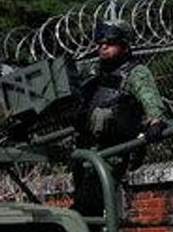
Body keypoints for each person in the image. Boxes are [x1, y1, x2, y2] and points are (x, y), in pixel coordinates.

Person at [71, 19, 166, 218]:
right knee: (85, 206)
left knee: (87, 205)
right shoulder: (93, 74)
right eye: (100, 42)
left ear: (124, 45)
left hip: (112, 152)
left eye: (110, 42)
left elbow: (152, 104)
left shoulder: (136, 74)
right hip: (85, 150)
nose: (102, 46)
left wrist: (155, 122)